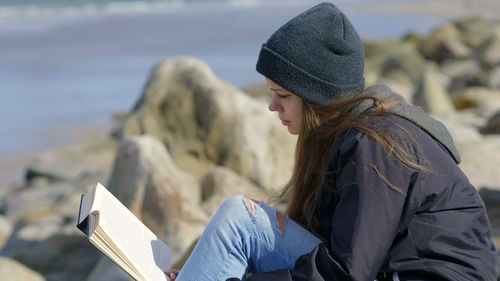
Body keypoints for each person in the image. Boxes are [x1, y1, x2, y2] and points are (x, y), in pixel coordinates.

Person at [165, 2, 498, 280]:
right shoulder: (348, 135)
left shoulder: (375, 146)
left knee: (241, 222)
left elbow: (346, 273)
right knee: (241, 221)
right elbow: (335, 252)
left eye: (283, 94)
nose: (272, 106)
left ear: (317, 97)